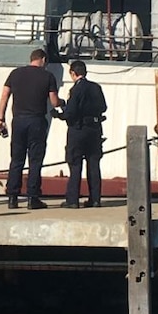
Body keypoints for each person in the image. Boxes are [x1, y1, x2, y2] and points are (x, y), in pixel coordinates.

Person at [0, 48, 62, 210]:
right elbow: (54, 102)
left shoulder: (15, 73)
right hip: (37, 121)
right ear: (44, 59)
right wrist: (63, 102)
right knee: (35, 161)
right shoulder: (48, 76)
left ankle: (12, 197)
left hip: (18, 121)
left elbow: (4, 95)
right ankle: (33, 198)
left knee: (16, 159)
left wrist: (1, 118)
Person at [52, 60, 107, 208]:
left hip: (78, 130)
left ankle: (73, 200)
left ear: (73, 73)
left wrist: (58, 115)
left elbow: (71, 113)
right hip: (95, 129)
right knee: (94, 164)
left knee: (75, 164)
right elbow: (103, 107)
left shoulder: (76, 90)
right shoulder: (96, 87)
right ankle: (95, 199)